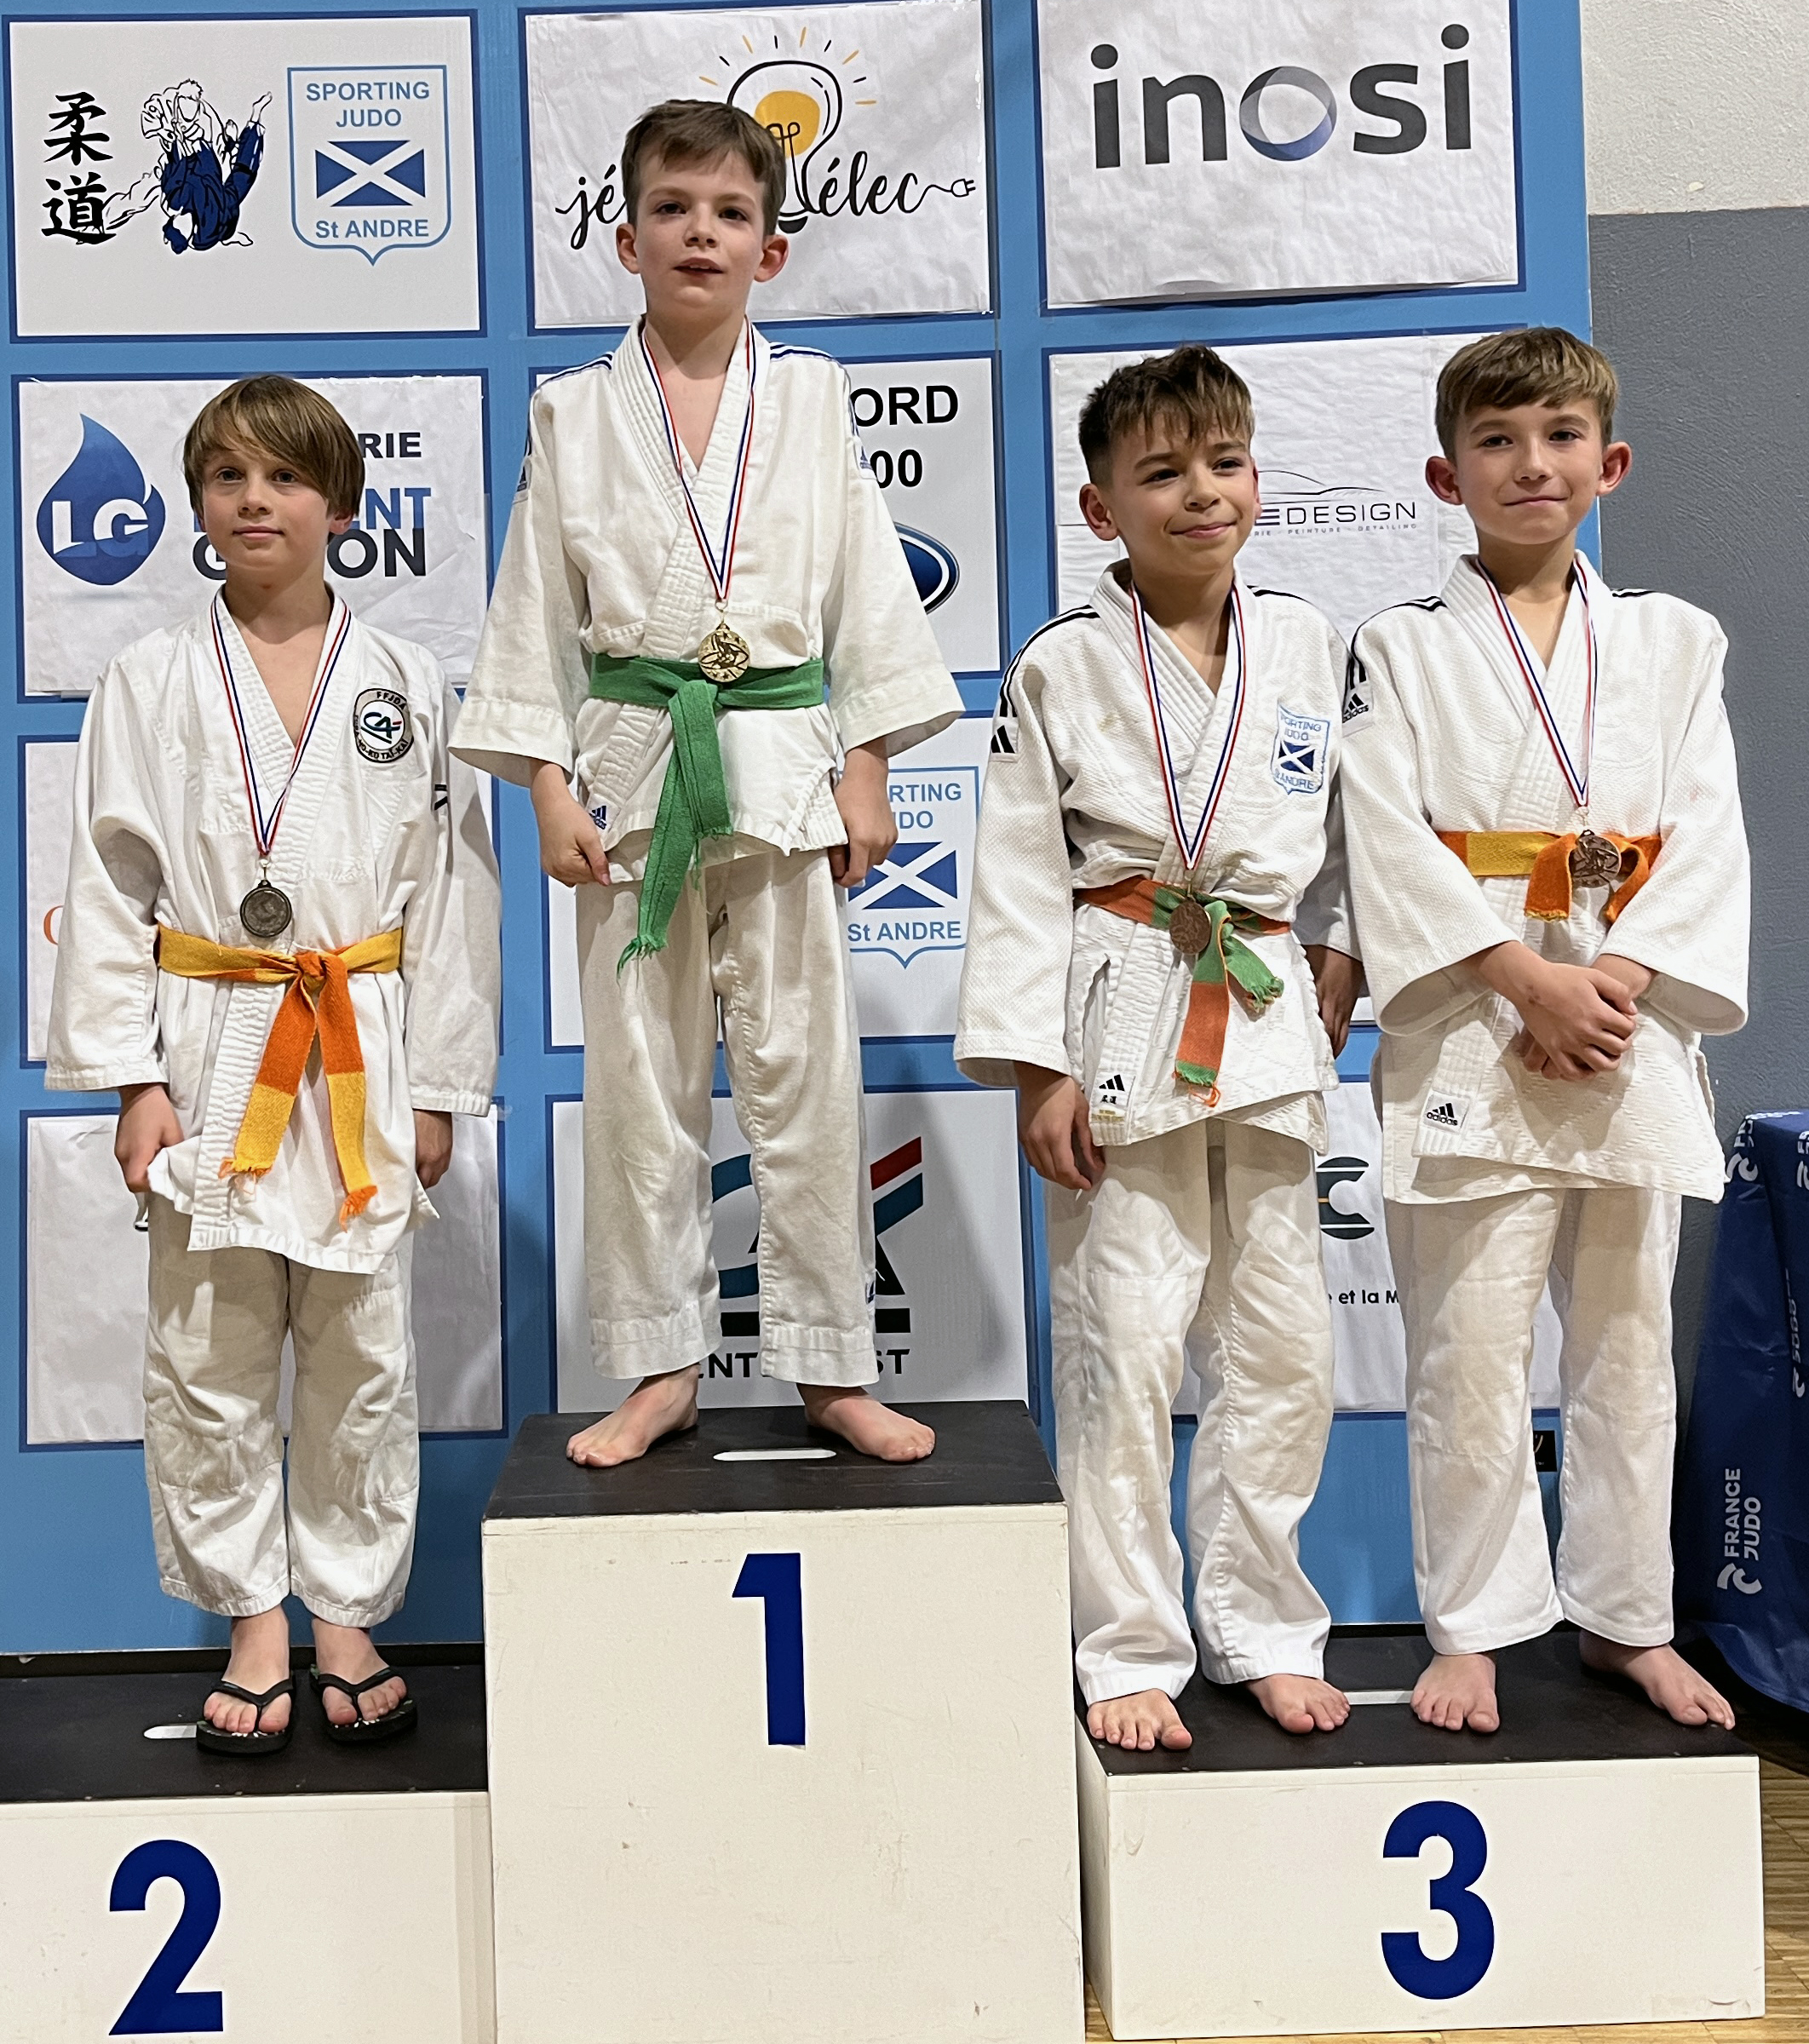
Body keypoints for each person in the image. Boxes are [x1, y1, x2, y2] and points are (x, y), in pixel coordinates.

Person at [453, 101, 959, 1466]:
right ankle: (660, 1364)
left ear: (770, 251)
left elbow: (866, 592)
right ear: (626, 239)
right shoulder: (572, 411)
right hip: (631, 777)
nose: (701, 233)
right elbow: (536, 611)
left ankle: (831, 1367)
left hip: (786, 770)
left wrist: (868, 768)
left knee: (807, 1081)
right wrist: (546, 783)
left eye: (732, 213)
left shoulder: (812, 397)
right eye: (673, 209)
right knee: (639, 1090)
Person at [46, 376, 501, 1755]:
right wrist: (133, 1081)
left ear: (342, 509)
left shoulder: (406, 682)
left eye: (287, 479)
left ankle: (347, 1616)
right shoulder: (147, 679)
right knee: (208, 1350)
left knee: (364, 1352)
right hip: (211, 1039)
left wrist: (440, 1087)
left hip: (358, 1038)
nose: (257, 502)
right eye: (229, 478)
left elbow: (451, 898)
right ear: (198, 505)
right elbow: (111, 884)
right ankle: (254, 1617)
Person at [1339, 328, 1748, 1734]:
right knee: (1469, 1351)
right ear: (1445, 475)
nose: (1533, 465)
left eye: (1562, 437)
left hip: (1628, 1029)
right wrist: (1527, 978)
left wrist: (1611, 980)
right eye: (1499, 442)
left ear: (1609, 463)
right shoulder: (1399, 647)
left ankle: (1629, 1618)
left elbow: (1707, 829)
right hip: (1478, 1023)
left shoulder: (1677, 640)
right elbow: (1386, 835)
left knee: (1628, 1348)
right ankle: (1475, 1624)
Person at [956, 347, 1364, 1748]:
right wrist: (1036, 1066)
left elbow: (1360, 828)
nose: (1203, 493)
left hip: (1264, 1003)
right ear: (1102, 508)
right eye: (1164, 473)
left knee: (1282, 1342)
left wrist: (1343, 951)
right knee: (1124, 1344)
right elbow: (1018, 873)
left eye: (1225, 463)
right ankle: (1127, 1642)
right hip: (1123, 994)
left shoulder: (1306, 641)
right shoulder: (1060, 662)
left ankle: (1265, 1625)